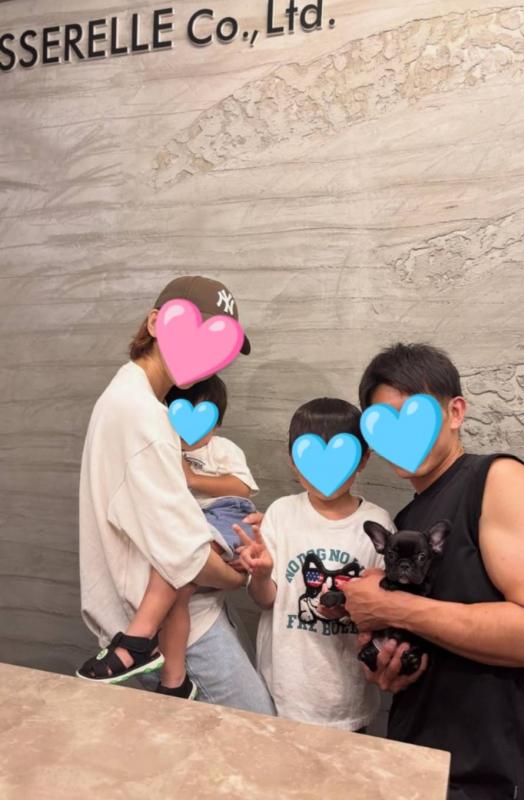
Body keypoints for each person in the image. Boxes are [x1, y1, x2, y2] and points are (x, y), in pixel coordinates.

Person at [340, 343, 524, 800]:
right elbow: (431, 633)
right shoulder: (408, 521)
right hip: (417, 765)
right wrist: (388, 665)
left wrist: (393, 607)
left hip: (489, 779)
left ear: (455, 412)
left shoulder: (498, 479)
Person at [77, 275, 275, 713]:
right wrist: (241, 577)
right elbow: (185, 555)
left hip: (184, 612)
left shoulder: (130, 400)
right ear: (155, 324)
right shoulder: (144, 417)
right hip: (178, 627)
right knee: (258, 728)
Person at [237, 397, 395, 732]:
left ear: (363, 458)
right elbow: (265, 600)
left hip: (347, 700)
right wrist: (262, 575)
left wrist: (352, 609)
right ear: (293, 460)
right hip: (283, 692)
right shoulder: (281, 513)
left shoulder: (377, 524)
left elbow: (384, 612)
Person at [166, 375, 259, 559]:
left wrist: (193, 479)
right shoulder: (165, 447)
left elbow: (242, 488)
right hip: (182, 513)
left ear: (216, 425)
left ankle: (207, 557)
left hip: (222, 509)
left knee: (237, 525)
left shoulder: (222, 448)